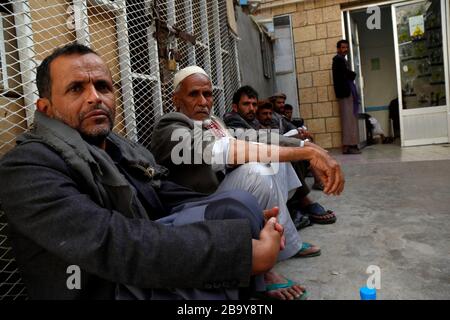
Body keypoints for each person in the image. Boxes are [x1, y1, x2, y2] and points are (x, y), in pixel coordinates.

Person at [0, 43, 286, 300]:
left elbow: (159, 192)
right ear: (46, 108)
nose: (94, 98)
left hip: (136, 246)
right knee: (226, 255)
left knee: (240, 207)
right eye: (76, 89)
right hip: (99, 284)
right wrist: (238, 253)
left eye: (103, 87)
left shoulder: (115, 146)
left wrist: (243, 221)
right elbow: (112, 242)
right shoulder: (27, 167)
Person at [151, 69, 344, 299]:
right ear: (176, 99)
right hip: (196, 208)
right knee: (256, 172)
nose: (203, 102)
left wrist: (305, 145)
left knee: (276, 161)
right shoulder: (169, 127)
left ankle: (286, 245)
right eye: (194, 94)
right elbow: (225, 150)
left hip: (224, 197)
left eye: (208, 94)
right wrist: (303, 154)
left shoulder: (214, 122)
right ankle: (264, 271)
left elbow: (254, 138)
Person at [228, 86, 336, 225]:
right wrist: (301, 146)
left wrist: (301, 144)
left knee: (289, 153)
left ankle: (294, 205)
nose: (251, 108)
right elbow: (258, 139)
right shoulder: (233, 120)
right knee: (284, 155)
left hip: (256, 160)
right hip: (242, 170)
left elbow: (267, 136)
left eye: (254, 104)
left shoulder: (253, 120)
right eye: (246, 104)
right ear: (235, 107)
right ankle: (298, 205)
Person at [332, 39, 361, 155]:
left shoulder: (341, 60)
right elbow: (345, 74)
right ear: (338, 49)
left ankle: (349, 145)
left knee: (349, 120)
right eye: (343, 47)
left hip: (346, 93)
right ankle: (349, 146)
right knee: (348, 120)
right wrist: (353, 74)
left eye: (346, 47)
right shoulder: (339, 59)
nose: (345, 50)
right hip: (345, 93)